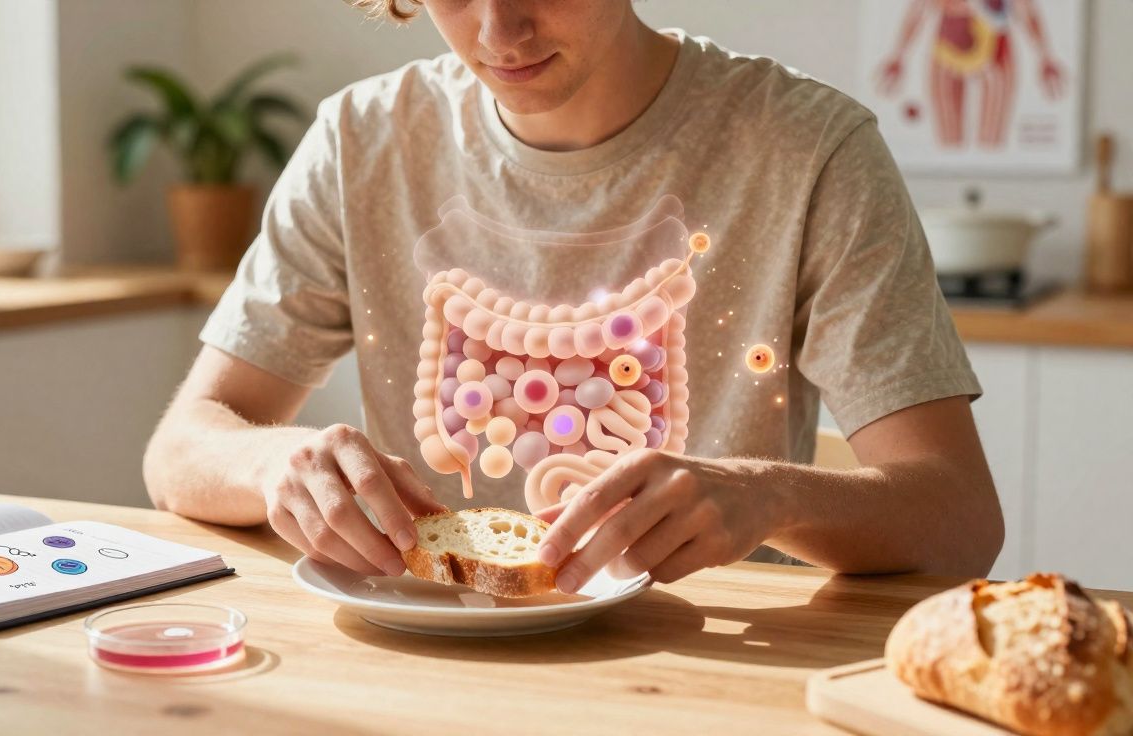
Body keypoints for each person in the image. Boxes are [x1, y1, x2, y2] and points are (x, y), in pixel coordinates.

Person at [144, 0, 1004, 594]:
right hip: (425, 667)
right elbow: (181, 447)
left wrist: (766, 495)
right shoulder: (359, 143)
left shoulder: (810, 151)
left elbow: (960, 517)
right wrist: (275, 465)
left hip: (704, 674)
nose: (499, 30)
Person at [878, 0, 1065, 148]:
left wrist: (1045, 55)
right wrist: (898, 55)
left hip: (995, 52)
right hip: (948, 48)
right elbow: (920, 6)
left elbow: (1024, 8)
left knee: (991, 145)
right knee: (948, 144)